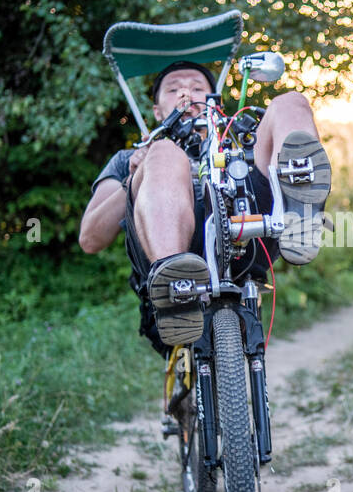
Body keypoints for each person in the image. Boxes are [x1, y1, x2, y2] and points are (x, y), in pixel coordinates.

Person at [78, 59, 330, 351]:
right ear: (157, 111)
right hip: (169, 263)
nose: (187, 93)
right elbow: (90, 239)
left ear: (215, 103)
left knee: (291, 103)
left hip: (245, 241)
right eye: (174, 89)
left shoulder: (237, 144)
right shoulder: (130, 158)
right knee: (165, 153)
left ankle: (298, 211)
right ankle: (174, 278)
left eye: (198, 88)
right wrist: (135, 176)